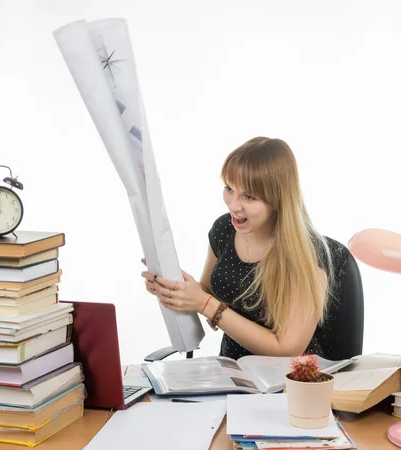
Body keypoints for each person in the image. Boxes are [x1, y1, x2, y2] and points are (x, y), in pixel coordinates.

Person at [141, 136, 334, 360]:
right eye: (229, 188)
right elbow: (208, 291)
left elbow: (287, 349)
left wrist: (204, 304)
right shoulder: (224, 229)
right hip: (232, 371)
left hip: (289, 382)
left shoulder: (306, 253)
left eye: (249, 197)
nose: (233, 205)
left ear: (278, 199)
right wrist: (176, 290)